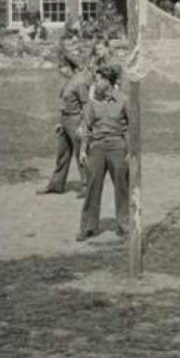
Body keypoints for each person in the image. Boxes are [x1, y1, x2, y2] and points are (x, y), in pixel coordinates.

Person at [76, 64, 129, 241]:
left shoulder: (123, 100)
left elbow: (132, 127)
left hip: (117, 147)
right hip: (97, 147)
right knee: (92, 186)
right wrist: (83, 150)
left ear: (107, 81)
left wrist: (130, 152)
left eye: (98, 80)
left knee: (122, 187)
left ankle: (125, 224)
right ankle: (88, 226)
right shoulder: (92, 103)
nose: (94, 83)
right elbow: (86, 128)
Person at [38, 55, 91, 195]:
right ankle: (56, 184)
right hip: (65, 120)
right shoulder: (68, 82)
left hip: (75, 121)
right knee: (62, 154)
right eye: (59, 67)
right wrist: (60, 122)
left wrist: (83, 125)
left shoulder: (79, 82)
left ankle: (87, 186)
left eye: (62, 67)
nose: (60, 70)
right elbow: (64, 104)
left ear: (69, 67)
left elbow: (86, 104)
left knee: (81, 153)